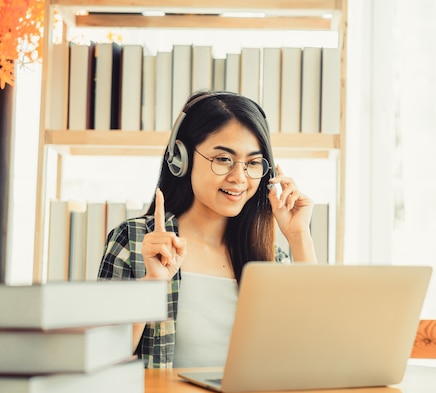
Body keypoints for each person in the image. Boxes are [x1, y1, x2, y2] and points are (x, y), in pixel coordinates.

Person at [98, 91, 317, 368]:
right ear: (181, 158)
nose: (239, 178)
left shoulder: (272, 257)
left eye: (252, 163)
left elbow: (314, 355)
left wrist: (299, 237)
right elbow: (102, 359)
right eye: (223, 159)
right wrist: (152, 285)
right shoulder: (135, 240)